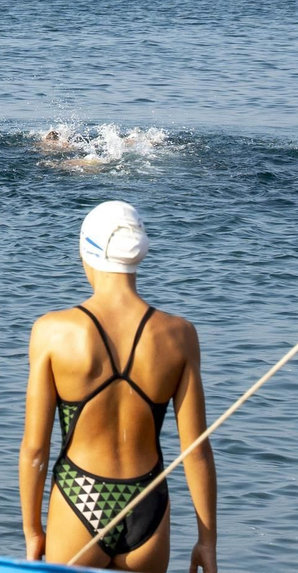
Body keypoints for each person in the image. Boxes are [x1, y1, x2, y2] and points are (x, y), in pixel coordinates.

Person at [20, 202, 217, 572]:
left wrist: (33, 531)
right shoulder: (179, 335)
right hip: (148, 501)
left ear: (86, 252)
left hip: (80, 497)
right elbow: (197, 451)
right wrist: (207, 541)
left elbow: (35, 449)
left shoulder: (52, 332)